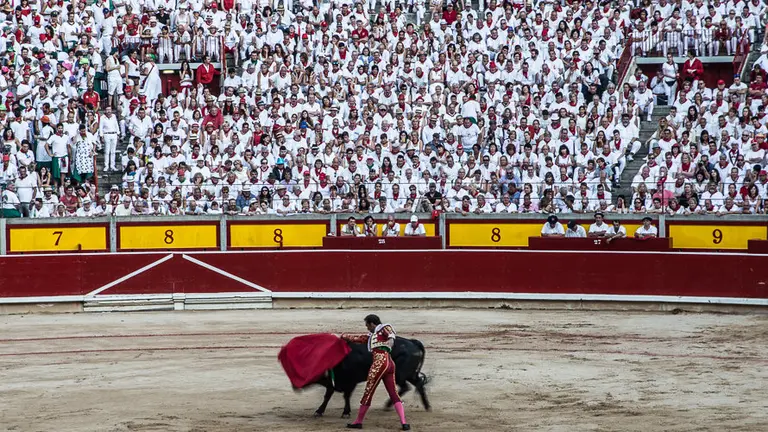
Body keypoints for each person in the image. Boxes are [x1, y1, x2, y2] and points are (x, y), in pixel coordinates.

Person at [341, 314, 410, 431]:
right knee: (393, 393)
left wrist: (390, 343)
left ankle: (358, 422)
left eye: (367, 325)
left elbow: (391, 335)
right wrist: (343, 336)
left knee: (368, 392)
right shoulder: (371, 336)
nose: (367, 328)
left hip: (380, 363)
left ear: (372, 323)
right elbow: (357, 338)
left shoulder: (384, 328)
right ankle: (404, 423)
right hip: (389, 364)